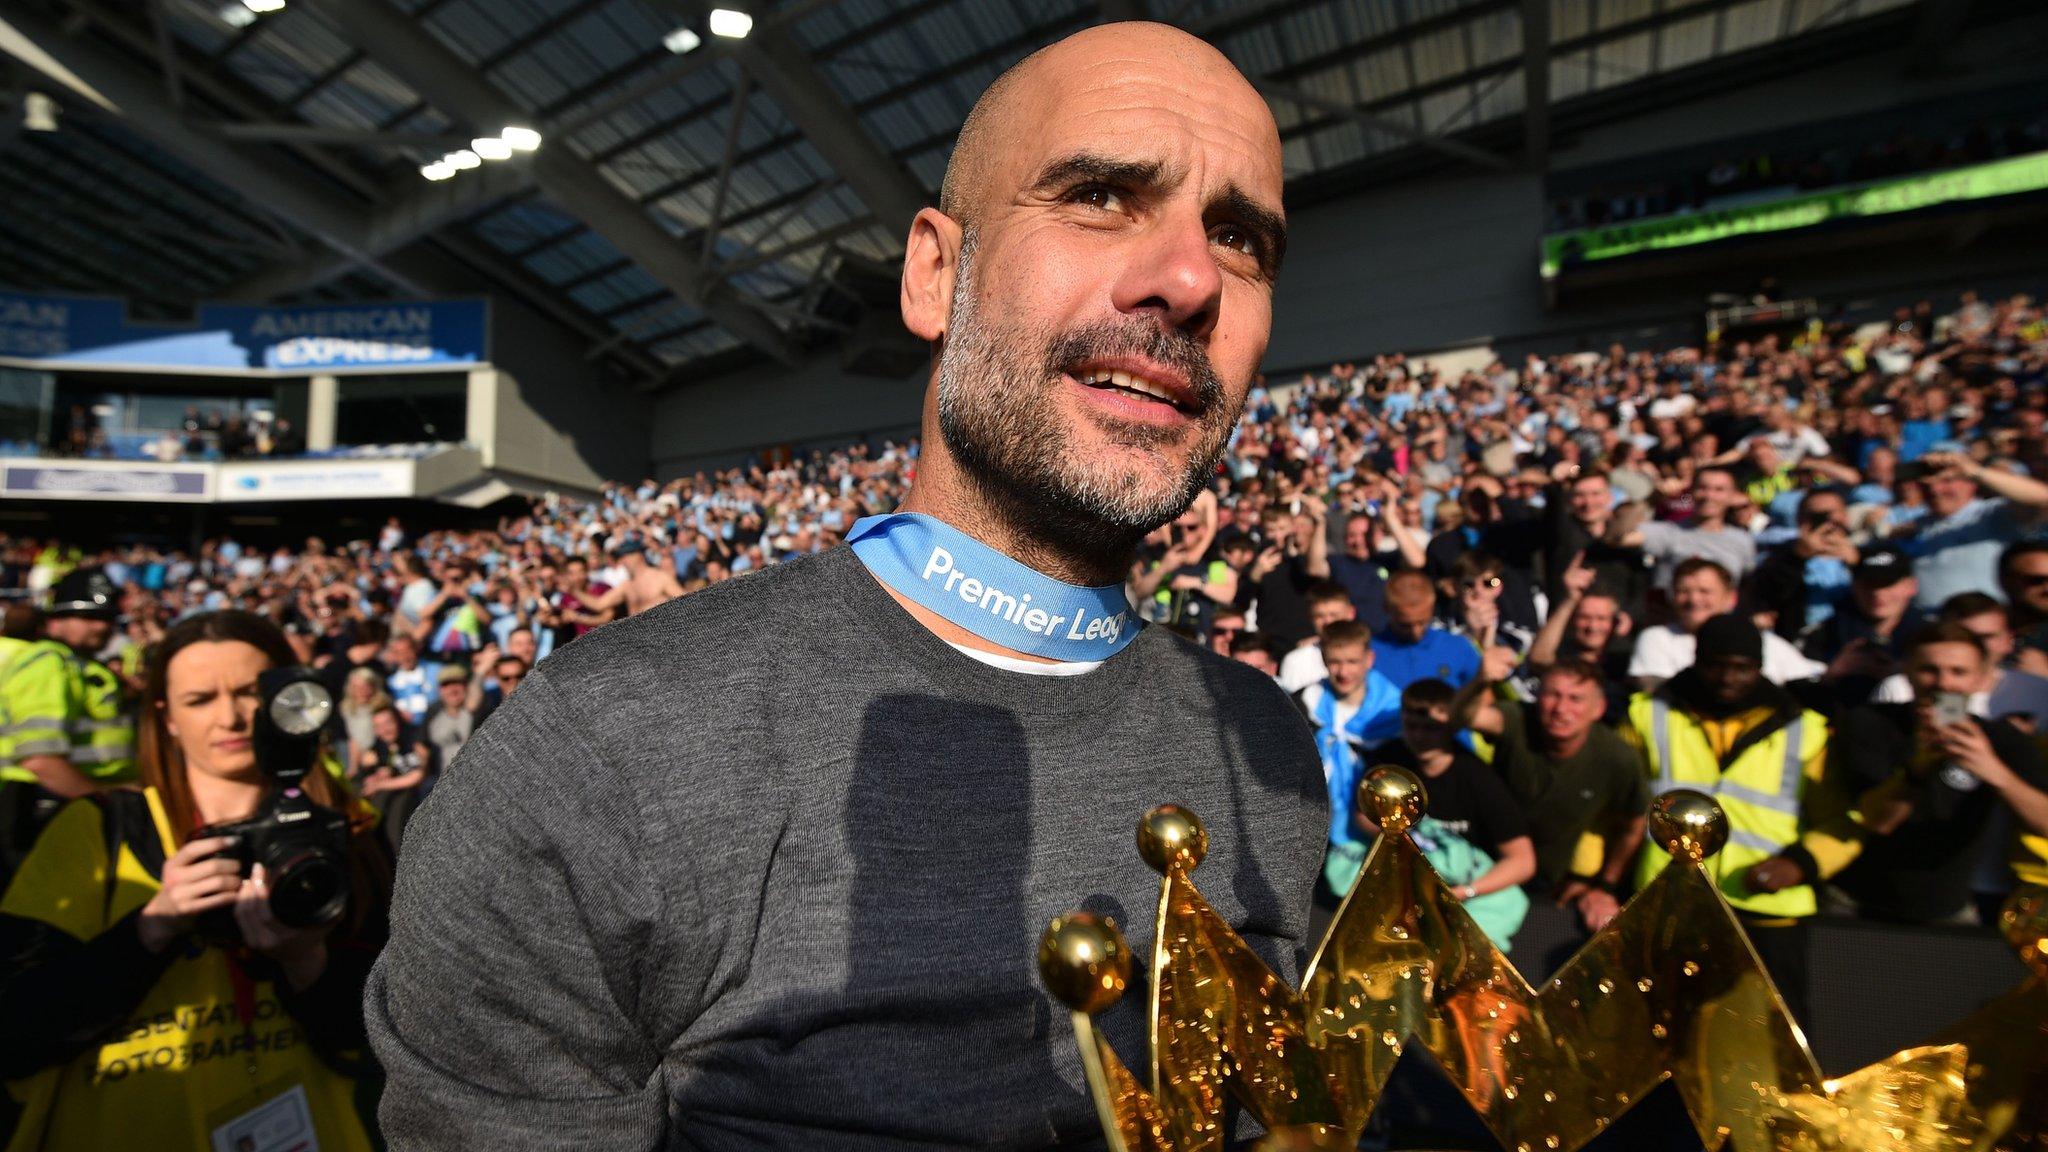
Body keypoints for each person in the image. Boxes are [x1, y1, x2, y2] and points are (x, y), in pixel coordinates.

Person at [368, 22, 1326, 1148]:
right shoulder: (598, 754)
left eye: (1237, 238)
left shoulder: (1266, 746)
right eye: (1100, 195)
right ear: (933, 273)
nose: (1187, 278)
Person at [0, 610, 389, 1149]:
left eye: (252, 692)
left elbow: (401, 1035)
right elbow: (16, 1029)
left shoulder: (350, 825)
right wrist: (150, 931)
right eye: (199, 700)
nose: (230, 717)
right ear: (166, 717)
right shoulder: (95, 830)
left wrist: (307, 963)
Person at [1619, 615, 1852, 1027]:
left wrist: (1800, 864)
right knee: (1656, 1028)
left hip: (1766, 908)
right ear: (1695, 660)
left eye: (1741, 667)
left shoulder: (1807, 729)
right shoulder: (1645, 715)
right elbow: (1614, 803)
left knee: (1776, 1035)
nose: (1728, 677)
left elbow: (1839, 820)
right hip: (1669, 896)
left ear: (1759, 668)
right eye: (1716, 665)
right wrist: (1595, 880)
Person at [1781, 623, 2048, 925]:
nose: (1943, 683)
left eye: (1958, 672)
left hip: (1949, 912)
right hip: (1855, 903)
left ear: (1980, 678)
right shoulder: (1869, 724)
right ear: (1906, 671)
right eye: (1929, 670)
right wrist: (1920, 766)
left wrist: (1994, 770)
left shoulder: (2000, 739)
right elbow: (1877, 821)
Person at [1451, 651, 1647, 932]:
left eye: (1575, 699)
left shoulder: (1617, 757)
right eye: (1552, 695)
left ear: (1598, 708)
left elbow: (1634, 827)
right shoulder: (1517, 719)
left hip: (1550, 888)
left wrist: (1603, 886)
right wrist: (1480, 682)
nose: (1561, 708)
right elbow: (1462, 716)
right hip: (1481, 870)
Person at [1367, 678, 1534, 948]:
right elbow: (1363, 819)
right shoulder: (1388, 762)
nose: (1420, 737)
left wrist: (1463, 892)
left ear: (1452, 726)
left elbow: (1523, 861)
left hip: (1465, 887)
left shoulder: (1478, 778)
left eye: (1431, 728)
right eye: (1412, 726)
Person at [0, 569, 136, 882]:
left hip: (67, 805)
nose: (102, 626)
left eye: (107, 617)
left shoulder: (79, 664)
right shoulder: (49, 664)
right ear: (56, 621)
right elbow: (40, 760)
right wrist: (109, 801)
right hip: (44, 808)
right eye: (88, 616)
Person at [1297, 620, 1402, 896]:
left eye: (1352, 661)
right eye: (1335, 662)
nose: (1344, 672)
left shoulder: (1394, 712)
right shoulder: (1305, 702)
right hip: (1315, 829)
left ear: (1369, 659)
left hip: (1373, 832)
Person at [1628, 558, 1824, 690]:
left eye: (1705, 591)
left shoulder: (1763, 641)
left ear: (1730, 598)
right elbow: (1655, 691)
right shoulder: (1657, 639)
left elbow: (1805, 680)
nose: (1693, 600)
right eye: (1683, 591)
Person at [1899, 449, 2048, 612]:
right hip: (1933, 628)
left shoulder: (1990, 514)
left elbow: (2042, 499)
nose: (1935, 489)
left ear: (1971, 483)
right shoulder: (1912, 527)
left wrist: (1973, 470)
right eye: (1926, 484)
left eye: (1947, 480)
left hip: (1985, 624)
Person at [1373, 569, 1480, 689]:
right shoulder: (1369, 654)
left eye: (1422, 622)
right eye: (1405, 625)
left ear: (1432, 608)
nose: (1415, 631)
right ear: (1386, 609)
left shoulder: (1458, 647)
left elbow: (1483, 697)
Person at [1277, 580, 1358, 692]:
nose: (1328, 622)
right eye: (1319, 616)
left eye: (1334, 615)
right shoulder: (1296, 661)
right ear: (1310, 618)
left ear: (1351, 613)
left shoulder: (1371, 654)